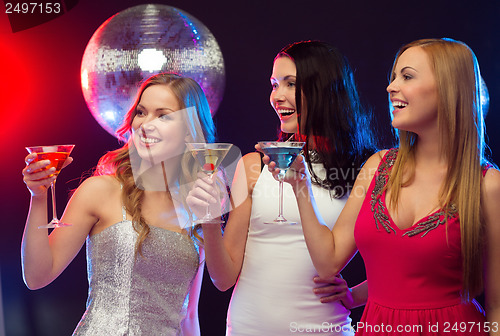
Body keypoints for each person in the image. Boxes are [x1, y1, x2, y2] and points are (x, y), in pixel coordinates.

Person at [267, 38, 500, 335]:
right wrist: (300, 184)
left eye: (407, 76)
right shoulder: (377, 167)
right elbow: (329, 261)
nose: (391, 87)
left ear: (448, 87)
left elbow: (496, 305)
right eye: (393, 78)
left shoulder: (487, 185)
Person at [187, 40, 376, 335]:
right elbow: (223, 279)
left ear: (325, 90)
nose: (278, 96)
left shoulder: (365, 169)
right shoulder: (254, 166)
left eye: (290, 84)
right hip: (247, 327)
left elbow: (401, 260)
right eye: (275, 84)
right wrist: (211, 221)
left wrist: (356, 296)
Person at [21, 73, 217, 335]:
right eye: (141, 112)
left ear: (189, 131)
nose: (146, 124)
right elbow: (36, 276)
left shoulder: (198, 208)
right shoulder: (100, 190)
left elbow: (189, 316)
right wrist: (39, 196)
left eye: (163, 115)